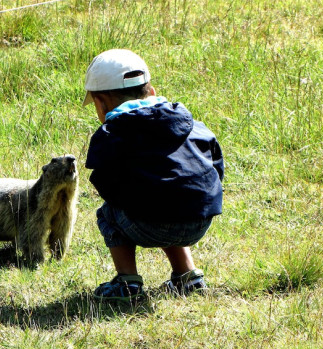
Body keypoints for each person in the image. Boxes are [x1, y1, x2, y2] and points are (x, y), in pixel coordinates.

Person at [82, 49, 224, 301]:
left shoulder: (110, 134)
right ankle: (187, 276)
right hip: (200, 220)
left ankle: (128, 284)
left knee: (108, 213)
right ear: (152, 92)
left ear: (101, 103)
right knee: (167, 197)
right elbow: (216, 165)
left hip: (148, 225)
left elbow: (106, 185)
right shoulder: (191, 123)